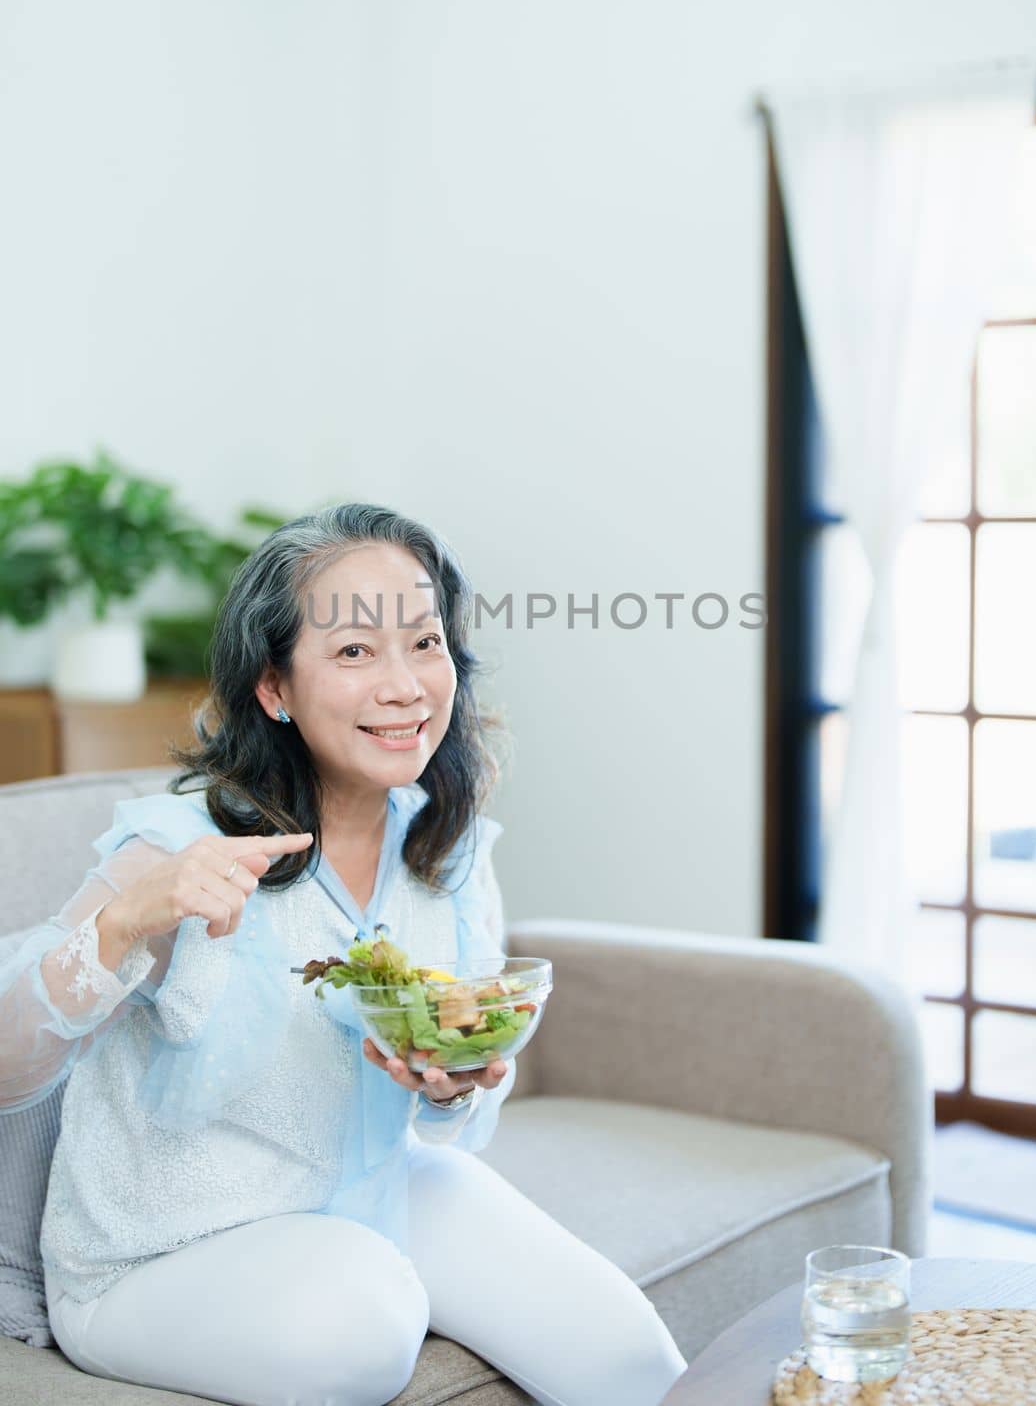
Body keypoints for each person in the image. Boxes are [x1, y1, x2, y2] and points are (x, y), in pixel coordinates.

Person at [0, 503, 687, 1406]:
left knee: (620, 1350)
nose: (405, 687)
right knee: (362, 1320)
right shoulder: (176, 850)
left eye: (425, 642)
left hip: (372, 1187)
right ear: (274, 689)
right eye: (355, 652)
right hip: (159, 1251)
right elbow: (9, 1067)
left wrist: (452, 1082)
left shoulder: (448, 849)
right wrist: (128, 922)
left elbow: (457, 1120)